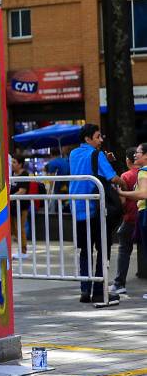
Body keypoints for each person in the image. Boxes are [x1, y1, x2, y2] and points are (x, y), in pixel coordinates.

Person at [69, 124, 125, 303]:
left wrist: (102, 160)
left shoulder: (73, 154)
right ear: (88, 139)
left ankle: (85, 290)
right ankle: (100, 290)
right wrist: (126, 183)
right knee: (103, 249)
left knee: (84, 251)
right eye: (98, 137)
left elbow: (86, 167)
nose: (101, 140)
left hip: (77, 209)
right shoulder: (98, 155)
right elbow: (113, 178)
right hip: (96, 209)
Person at [117, 142, 147, 300]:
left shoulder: (139, 173)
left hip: (139, 214)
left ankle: (119, 283)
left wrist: (123, 192)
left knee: (126, 249)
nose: (136, 155)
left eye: (139, 152)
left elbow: (142, 194)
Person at [109, 147, 139, 296]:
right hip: (142, 217)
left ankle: (119, 283)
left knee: (124, 249)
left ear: (128, 160)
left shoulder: (126, 176)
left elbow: (122, 202)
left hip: (130, 218)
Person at [9, 155, 30, 259]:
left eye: (14, 162)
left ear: (20, 164)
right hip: (12, 207)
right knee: (12, 229)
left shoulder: (25, 174)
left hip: (21, 207)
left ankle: (24, 251)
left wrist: (9, 197)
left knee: (19, 228)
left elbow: (22, 191)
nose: (12, 164)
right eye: (11, 162)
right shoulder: (11, 174)